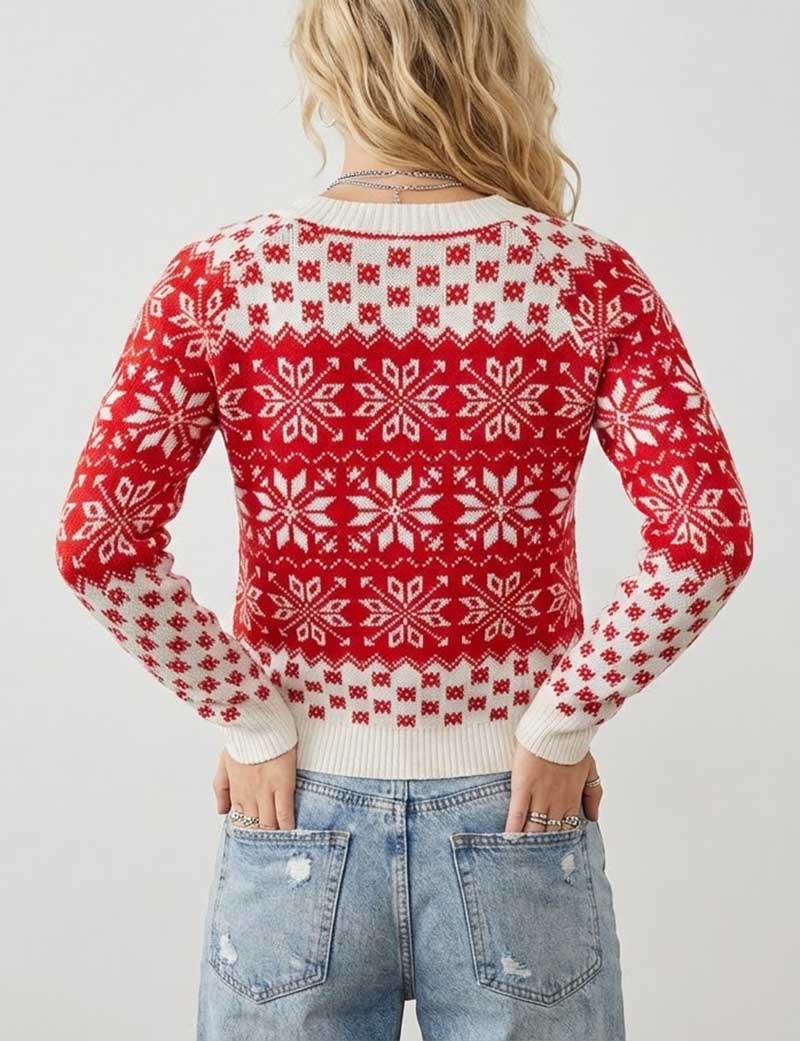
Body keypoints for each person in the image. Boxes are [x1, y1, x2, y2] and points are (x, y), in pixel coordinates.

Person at [54, 2, 754, 1038]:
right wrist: (560, 721)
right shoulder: (583, 277)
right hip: (516, 808)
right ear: (499, 57)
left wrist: (250, 715)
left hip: (296, 810)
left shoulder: (221, 277)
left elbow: (98, 545)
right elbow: (706, 539)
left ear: (325, 65)